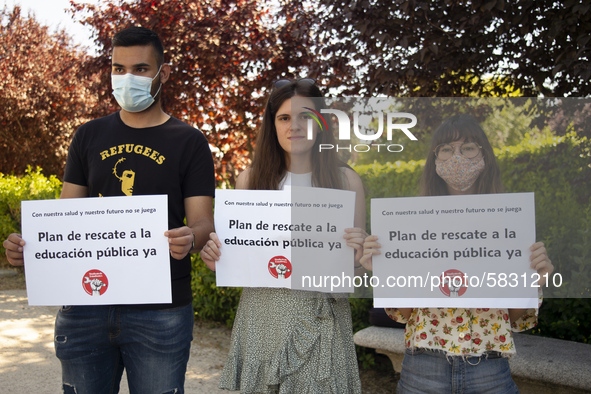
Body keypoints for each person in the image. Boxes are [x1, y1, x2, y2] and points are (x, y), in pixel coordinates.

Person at [3, 27, 215, 394]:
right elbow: (65, 218)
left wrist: (190, 239)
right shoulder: (87, 136)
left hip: (160, 310)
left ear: (163, 73)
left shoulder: (190, 141)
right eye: (118, 68)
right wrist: (32, 246)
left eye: (141, 69)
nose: (127, 78)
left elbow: (202, 223)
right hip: (85, 305)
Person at [361, 114, 554, 393]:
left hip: (489, 368)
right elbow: (403, 314)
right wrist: (385, 272)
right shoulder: (410, 225)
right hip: (423, 367)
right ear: (435, 160)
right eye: (446, 149)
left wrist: (534, 280)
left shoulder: (511, 223)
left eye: (468, 148)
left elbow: (516, 317)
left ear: (484, 156)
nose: (457, 156)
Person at [201, 79, 366, 393]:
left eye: (306, 116)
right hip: (264, 315)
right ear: (272, 124)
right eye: (285, 118)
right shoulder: (249, 180)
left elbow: (356, 265)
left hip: (322, 318)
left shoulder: (346, 180)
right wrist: (217, 258)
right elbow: (239, 256)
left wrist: (360, 255)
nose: (296, 126)